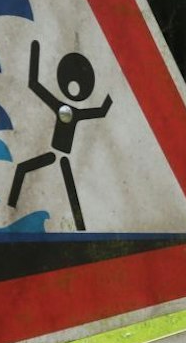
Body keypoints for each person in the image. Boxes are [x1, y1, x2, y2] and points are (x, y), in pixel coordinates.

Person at [6, 42, 113, 231]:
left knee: (70, 189)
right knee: (23, 169)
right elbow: (35, 84)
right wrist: (35, 52)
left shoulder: (72, 112)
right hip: (53, 153)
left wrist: (115, 77)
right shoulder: (62, 109)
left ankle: (80, 226)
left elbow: (101, 111)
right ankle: (10, 207)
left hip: (62, 157)